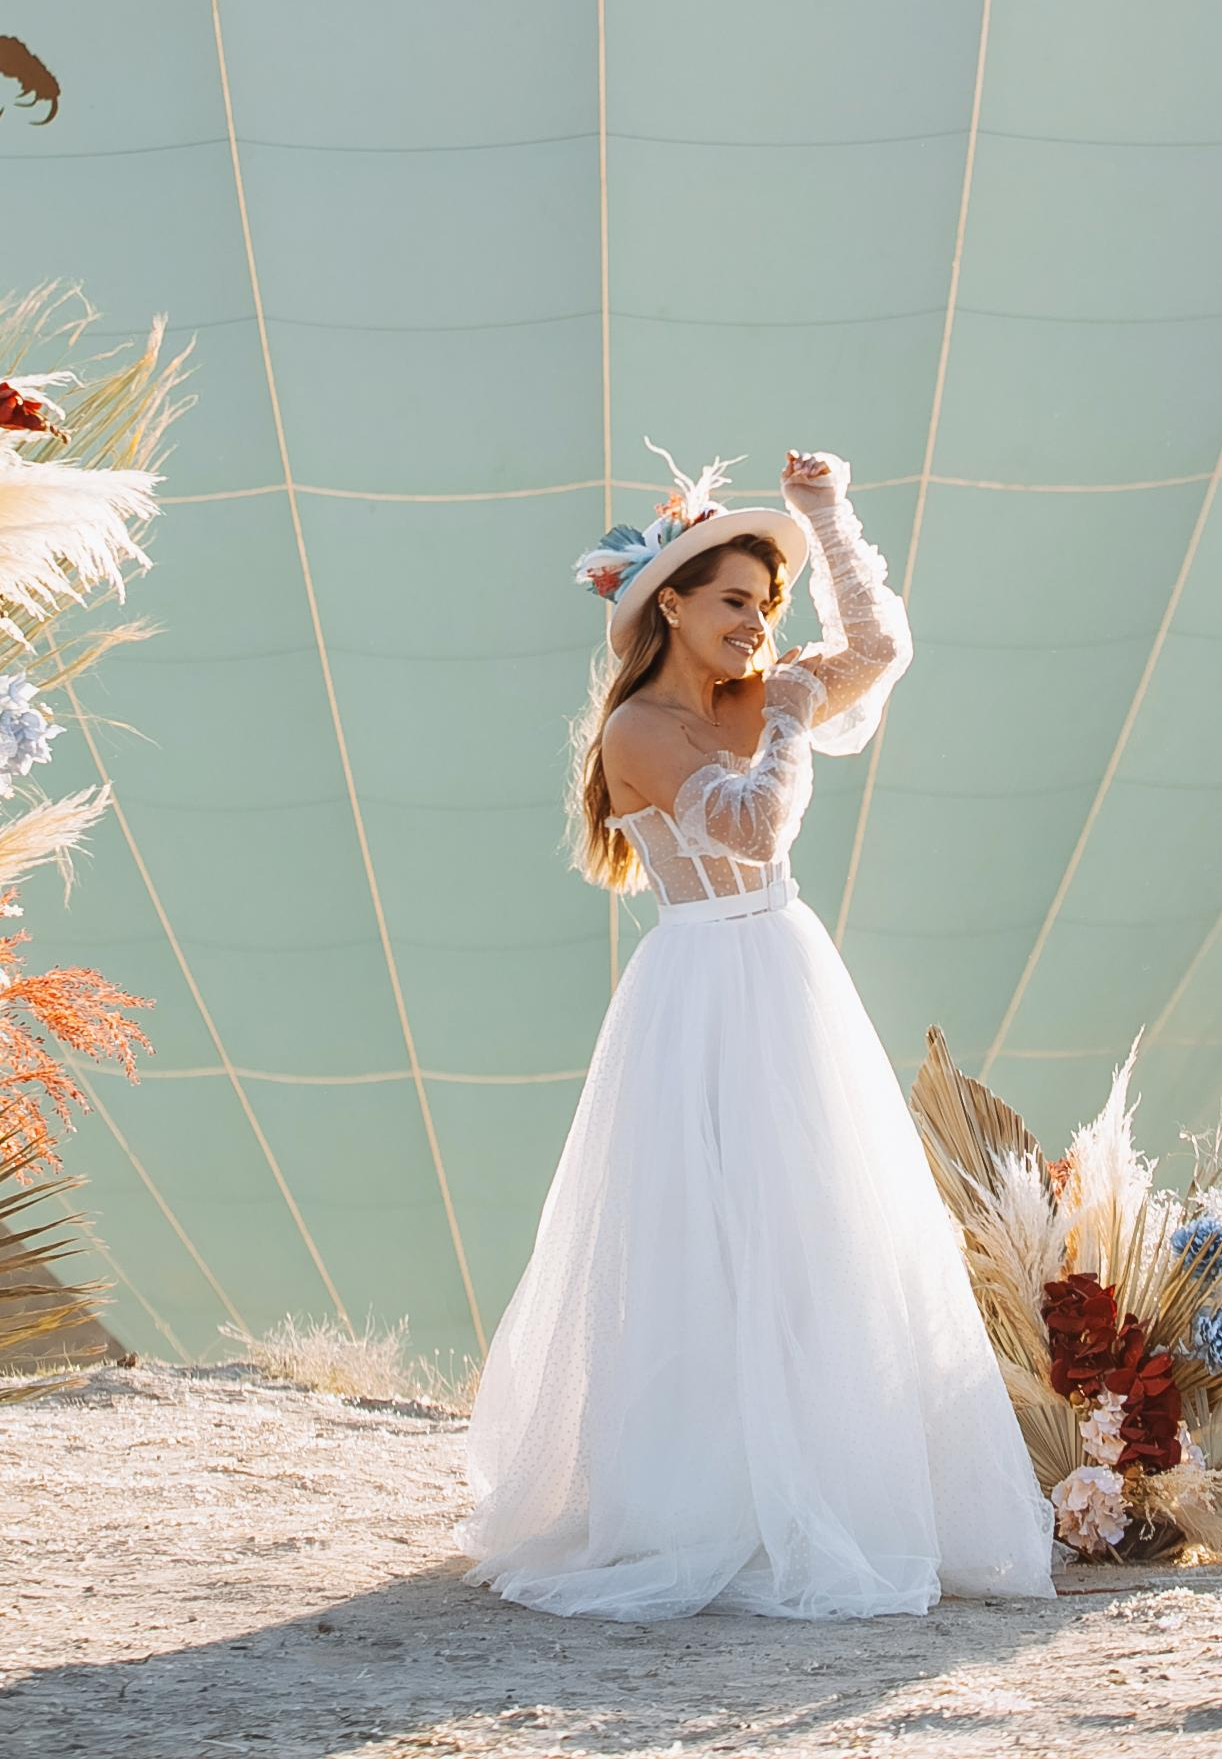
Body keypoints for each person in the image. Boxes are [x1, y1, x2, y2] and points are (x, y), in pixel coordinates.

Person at [457, 446, 1056, 1622]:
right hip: (701, 987)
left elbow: (879, 649)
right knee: (698, 1240)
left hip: (786, 976)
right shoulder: (637, 730)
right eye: (734, 601)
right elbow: (748, 829)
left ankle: (831, 1484)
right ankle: (698, 1506)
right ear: (668, 604)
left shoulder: (753, 693)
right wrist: (783, 720)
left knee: (817, 1227)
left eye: (766, 607)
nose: (755, 625)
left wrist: (822, 516)